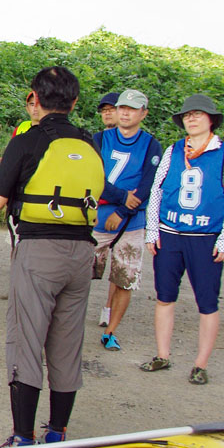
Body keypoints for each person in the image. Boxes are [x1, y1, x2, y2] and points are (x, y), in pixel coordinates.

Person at [0, 65, 104, 446]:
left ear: (35, 97)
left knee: (26, 339)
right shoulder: (89, 142)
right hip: (83, 253)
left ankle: (23, 436)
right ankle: (58, 431)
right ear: (74, 101)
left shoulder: (28, 140)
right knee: (67, 343)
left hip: (39, 251)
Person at [142, 94, 224, 386]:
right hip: (170, 234)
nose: (191, 118)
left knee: (207, 302)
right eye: (187, 114)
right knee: (164, 297)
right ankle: (162, 355)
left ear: (211, 119)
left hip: (205, 236)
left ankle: (200, 364)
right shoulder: (173, 150)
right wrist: (153, 230)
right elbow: (157, 191)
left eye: (198, 114)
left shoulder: (222, 152)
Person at [91, 89, 160, 351]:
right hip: (98, 217)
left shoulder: (151, 144)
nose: (125, 113)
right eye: (122, 108)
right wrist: (120, 198)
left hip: (131, 221)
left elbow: (148, 183)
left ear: (143, 113)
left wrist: (123, 211)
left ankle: (110, 330)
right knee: (77, 274)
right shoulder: (99, 139)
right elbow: (94, 175)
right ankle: (67, 326)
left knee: (125, 279)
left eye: (132, 108)